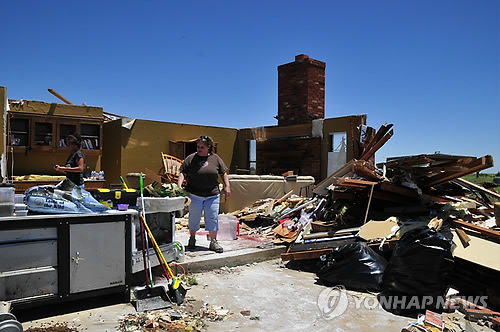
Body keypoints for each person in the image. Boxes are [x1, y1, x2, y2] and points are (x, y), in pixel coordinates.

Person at [177, 136, 231, 253]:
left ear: (209, 147)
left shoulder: (215, 158)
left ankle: (213, 242)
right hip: (194, 194)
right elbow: (182, 173)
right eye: (198, 146)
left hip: (212, 194)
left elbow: (223, 173)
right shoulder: (191, 158)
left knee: (212, 218)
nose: (199, 149)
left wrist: (227, 186)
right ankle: (192, 239)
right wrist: (179, 186)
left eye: (202, 147)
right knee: (194, 218)